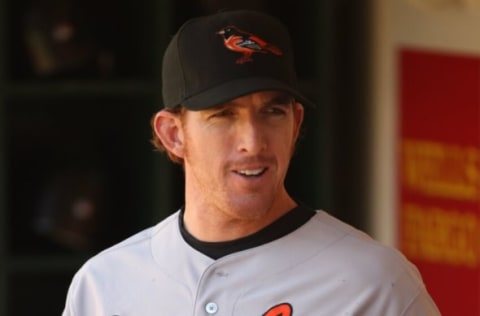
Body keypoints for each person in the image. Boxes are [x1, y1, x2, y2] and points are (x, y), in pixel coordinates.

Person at [62, 10, 440, 315]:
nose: (253, 142)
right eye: (223, 114)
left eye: (273, 112)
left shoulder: (375, 283)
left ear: (296, 126)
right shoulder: (104, 284)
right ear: (173, 134)